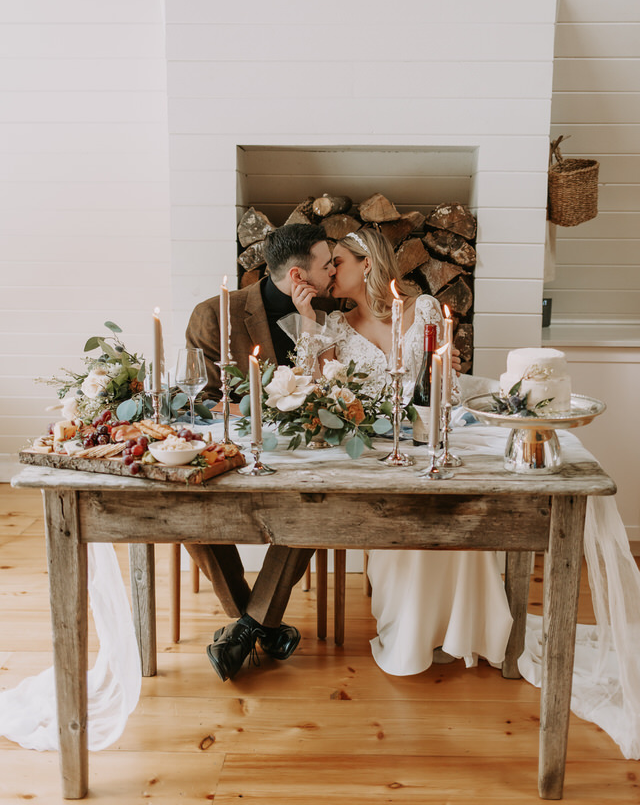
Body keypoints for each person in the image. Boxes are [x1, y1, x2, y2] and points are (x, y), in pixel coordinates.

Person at [320, 227, 514, 674]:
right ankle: (412, 631)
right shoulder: (334, 327)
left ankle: (464, 627)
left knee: (455, 506)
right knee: (401, 516)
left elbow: (439, 378)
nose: (331, 270)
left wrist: (450, 368)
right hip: (377, 448)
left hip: (430, 437)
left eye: (338, 262)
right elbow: (321, 390)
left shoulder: (424, 308)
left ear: (366, 263)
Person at [184, 223, 336, 682]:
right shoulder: (213, 315)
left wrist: (309, 328)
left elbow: (326, 394)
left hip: (300, 455)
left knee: (316, 501)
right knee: (186, 506)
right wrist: (263, 403)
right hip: (229, 449)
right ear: (297, 274)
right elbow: (199, 401)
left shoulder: (323, 316)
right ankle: (261, 625)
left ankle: (245, 628)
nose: (334, 271)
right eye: (328, 264)